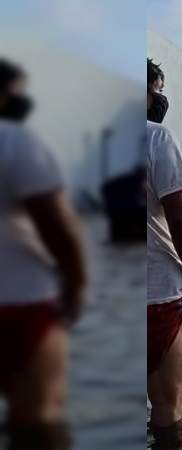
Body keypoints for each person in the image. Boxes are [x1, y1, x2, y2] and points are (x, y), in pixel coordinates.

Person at [0, 58, 87, 449]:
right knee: (39, 418)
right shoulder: (16, 140)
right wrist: (77, 281)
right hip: (20, 300)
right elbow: (56, 224)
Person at [146, 58, 182, 449]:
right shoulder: (155, 138)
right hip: (155, 294)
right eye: (157, 88)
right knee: (170, 407)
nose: (161, 97)